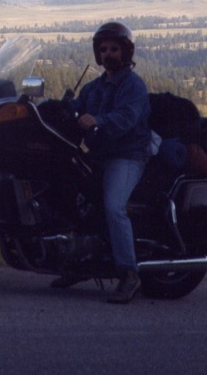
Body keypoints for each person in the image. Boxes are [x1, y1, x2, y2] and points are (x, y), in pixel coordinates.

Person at [52, 22, 151, 304]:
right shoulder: (95, 87)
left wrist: (99, 120)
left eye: (114, 49)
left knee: (113, 206)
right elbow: (76, 107)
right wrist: (50, 107)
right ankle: (78, 262)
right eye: (103, 49)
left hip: (126, 155)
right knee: (70, 194)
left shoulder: (134, 86)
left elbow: (126, 119)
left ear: (126, 52)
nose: (108, 53)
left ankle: (129, 274)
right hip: (97, 155)